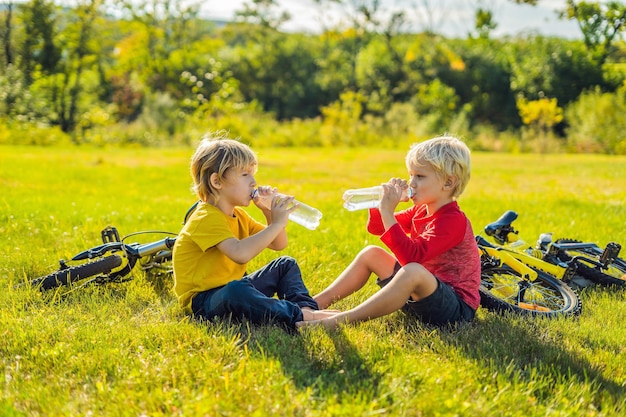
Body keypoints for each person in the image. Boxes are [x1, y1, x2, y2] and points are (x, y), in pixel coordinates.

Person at [298, 135, 481, 330]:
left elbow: (412, 258)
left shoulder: (453, 221)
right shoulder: (422, 209)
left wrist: (388, 211)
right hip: (420, 297)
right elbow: (377, 228)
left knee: (413, 271)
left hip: (455, 310)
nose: (411, 183)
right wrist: (380, 203)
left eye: (420, 176)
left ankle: (338, 321)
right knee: (371, 254)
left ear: (448, 183)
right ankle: (312, 304)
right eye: (411, 175)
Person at [172, 132, 331, 330]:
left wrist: (269, 213)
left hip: (233, 288)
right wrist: (276, 224)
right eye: (245, 174)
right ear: (217, 182)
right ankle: (299, 315)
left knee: (285, 265)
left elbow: (278, 244)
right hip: (204, 303)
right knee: (237, 291)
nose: (253, 181)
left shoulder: (238, 215)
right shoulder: (205, 217)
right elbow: (240, 253)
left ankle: (306, 310)